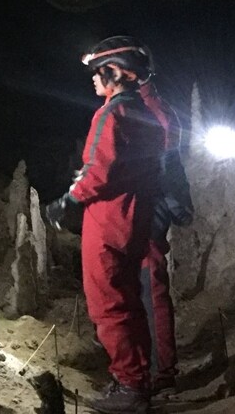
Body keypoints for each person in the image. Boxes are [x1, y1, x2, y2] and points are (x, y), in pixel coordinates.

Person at [46, 36, 165, 413]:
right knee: (130, 302)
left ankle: (129, 387)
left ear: (114, 71)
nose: (93, 81)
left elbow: (100, 169)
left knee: (108, 305)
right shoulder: (144, 113)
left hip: (108, 221)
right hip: (135, 217)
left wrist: (66, 202)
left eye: (97, 73)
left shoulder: (111, 113)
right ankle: (139, 379)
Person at [127, 37, 194, 398]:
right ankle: (146, 369)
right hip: (141, 208)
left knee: (150, 291)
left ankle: (158, 372)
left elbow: (163, 157)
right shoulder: (144, 105)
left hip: (150, 210)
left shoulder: (153, 107)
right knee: (138, 292)